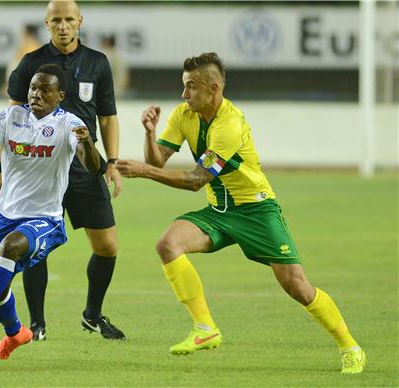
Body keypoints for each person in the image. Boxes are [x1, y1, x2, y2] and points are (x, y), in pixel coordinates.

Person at [116, 52, 366, 374]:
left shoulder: (230, 124)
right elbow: (158, 161)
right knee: (168, 244)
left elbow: (195, 180)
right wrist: (150, 134)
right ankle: (205, 329)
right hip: (219, 211)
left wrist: (144, 172)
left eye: (191, 87)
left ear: (213, 88)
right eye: (184, 86)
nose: (184, 94)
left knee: (297, 286)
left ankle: (350, 347)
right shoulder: (183, 114)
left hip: (257, 212)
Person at [0, 0, 125, 341]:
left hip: (83, 165)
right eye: (56, 20)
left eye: (69, 20)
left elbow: (108, 116)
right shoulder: (31, 63)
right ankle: (37, 325)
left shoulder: (97, 62)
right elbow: (9, 119)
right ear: (47, 23)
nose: (63, 26)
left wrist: (112, 162)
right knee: (34, 249)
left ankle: (92, 315)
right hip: (39, 169)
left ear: (80, 21)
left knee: (107, 245)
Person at [0, 64, 100, 360]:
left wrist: (88, 143)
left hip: (45, 220)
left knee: (10, 249)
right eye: (33, 88)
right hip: (5, 215)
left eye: (45, 90)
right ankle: (16, 333)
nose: (36, 94)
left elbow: (92, 166)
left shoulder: (69, 124)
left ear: (60, 95)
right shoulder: (10, 117)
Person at [1, 24, 41, 97]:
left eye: (23, 32)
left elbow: (15, 66)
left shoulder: (28, 47)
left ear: (27, 33)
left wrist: (7, 84)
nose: (21, 35)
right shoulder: (36, 45)